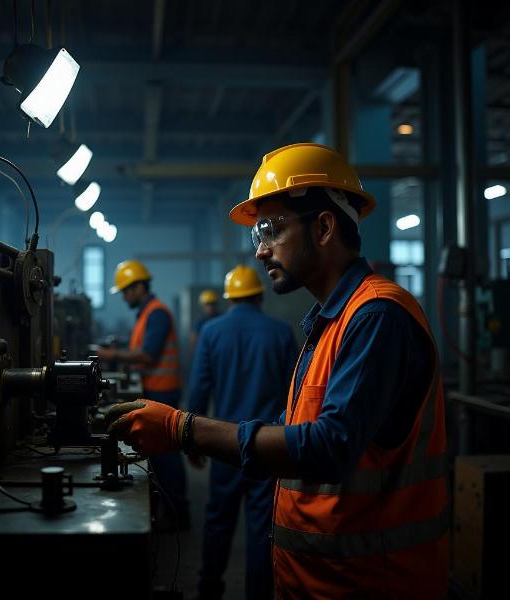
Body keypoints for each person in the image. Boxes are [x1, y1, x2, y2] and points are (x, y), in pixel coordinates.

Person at [106, 144, 449, 599]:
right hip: (321, 579)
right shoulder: (329, 321)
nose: (261, 249)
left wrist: (184, 429)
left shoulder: (376, 316)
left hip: (368, 582)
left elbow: (329, 445)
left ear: (324, 227)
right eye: (257, 236)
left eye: (272, 229)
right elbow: (300, 430)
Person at [188, 265, 297, 600]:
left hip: (226, 444)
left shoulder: (211, 331)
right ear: (260, 295)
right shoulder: (280, 332)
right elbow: (296, 394)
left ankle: (209, 588)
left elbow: (199, 389)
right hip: (269, 446)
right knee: (262, 527)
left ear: (229, 299)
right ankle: (259, 593)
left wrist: (192, 440)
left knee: (219, 519)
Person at [98, 259, 189, 530]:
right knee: (161, 454)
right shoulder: (146, 313)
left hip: (164, 390)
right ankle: (170, 508)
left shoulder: (157, 313)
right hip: (156, 388)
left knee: (167, 454)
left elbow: (148, 355)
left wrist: (111, 355)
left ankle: (178, 514)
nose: (125, 296)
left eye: (127, 290)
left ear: (139, 286)